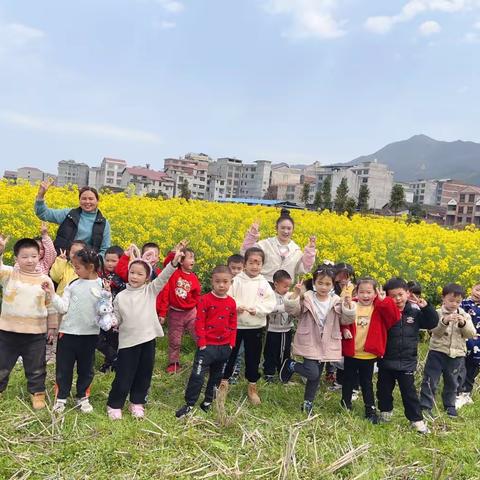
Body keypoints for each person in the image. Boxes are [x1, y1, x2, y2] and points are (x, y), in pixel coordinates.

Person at [106, 246, 184, 420]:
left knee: (144, 374)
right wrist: (111, 320)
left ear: (147, 277)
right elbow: (117, 317)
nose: (135, 276)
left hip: (148, 340)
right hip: (128, 342)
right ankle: (115, 404)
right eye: (132, 272)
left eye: (140, 274)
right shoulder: (121, 296)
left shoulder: (150, 290)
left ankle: (137, 402)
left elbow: (164, 277)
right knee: (124, 375)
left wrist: (173, 262)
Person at [279, 265, 355, 414]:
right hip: (309, 339)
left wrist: (347, 303)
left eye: (327, 284)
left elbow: (346, 320)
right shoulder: (307, 297)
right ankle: (291, 365)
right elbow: (293, 311)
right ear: (314, 283)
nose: (323, 287)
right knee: (312, 372)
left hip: (327, 342)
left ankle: (308, 403)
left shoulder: (336, 300)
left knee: (316, 376)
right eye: (320, 283)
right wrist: (295, 295)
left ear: (333, 285)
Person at [43, 248, 107, 414]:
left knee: (86, 369)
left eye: (78, 267)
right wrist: (51, 294)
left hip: (90, 335)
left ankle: (82, 397)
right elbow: (63, 307)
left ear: (91, 267)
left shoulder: (102, 285)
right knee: (63, 368)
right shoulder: (73, 285)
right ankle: (61, 398)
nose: (75, 270)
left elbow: (106, 309)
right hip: (68, 334)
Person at [0, 235, 57, 409]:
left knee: (36, 366)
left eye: (33, 256)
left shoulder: (45, 280)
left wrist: (52, 327)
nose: (29, 260)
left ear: (39, 255)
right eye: (24, 257)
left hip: (35, 333)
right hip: (8, 331)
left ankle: (37, 393)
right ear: (16, 257)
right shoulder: (9, 274)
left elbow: (51, 305)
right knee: (2, 363)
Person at [376, 277, 438, 434]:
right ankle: (385, 412)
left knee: (409, 393)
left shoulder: (415, 312)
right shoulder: (385, 311)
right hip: (386, 360)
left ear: (408, 293)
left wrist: (426, 307)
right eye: (393, 296)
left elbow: (431, 323)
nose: (397, 299)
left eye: (400, 294)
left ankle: (416, 420)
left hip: (407, 361)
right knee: (383, 389)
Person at [176, 265, 237, 418]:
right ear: (212, 282)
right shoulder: (205, 300)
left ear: (231, 283)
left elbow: (233, 323)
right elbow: (199, 322)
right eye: (218, 282)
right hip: (207, 347)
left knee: (216, 376)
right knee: (197, 376)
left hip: (224, 347)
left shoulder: (231, 302)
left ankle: (208, 401)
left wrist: (231, 343)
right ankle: (189, 404)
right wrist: (202, 342)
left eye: (225, 282)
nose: (221, 285)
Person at [340, 277, 401, 423]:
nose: (365, 296)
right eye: (361, 292)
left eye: (369, 292)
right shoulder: (352, 304)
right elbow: (342, 319)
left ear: (375, 293)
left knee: (366, 383)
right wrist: (344, 330)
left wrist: (383, 300)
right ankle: (345, 404)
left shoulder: (379, 307)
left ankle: (370, 409)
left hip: (368, 354)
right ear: (357, 292)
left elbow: (394, 317)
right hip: (352, 352)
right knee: (347, 380)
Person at [221, 247, 276, 405]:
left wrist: (258, 310)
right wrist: (235, 306)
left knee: (253, 358)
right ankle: (223, 384)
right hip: (236, 326)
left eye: (258, 263)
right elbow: (227, 297)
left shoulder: (264, 283)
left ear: (262, 265)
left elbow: (269, 303)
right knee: (229, 355)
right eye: (251, 262)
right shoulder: (236, 280)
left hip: (255, 326)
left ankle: (252, 386)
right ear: (244, 264)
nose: (254, 266)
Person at [420, 283, 475, 417]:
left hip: (456, 355)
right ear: (443, 298)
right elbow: (434, 332)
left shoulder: (464, 315)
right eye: (451, 300)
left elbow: (471, 333)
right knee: (430, 380)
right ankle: (426, 406)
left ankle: (450, 405)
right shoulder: (437, 313)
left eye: (458, 301)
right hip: (437, 352)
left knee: (453, 382)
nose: (454, 304)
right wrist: (444, 321)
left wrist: (463, 324)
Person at [34, 180, 111, 256]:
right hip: (62, 260)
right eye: (84, 199)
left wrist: (94, 263)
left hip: (85, 265)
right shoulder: (69, 214)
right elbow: (43, 213)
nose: (87, 202)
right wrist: (41, 195)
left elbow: (104, 250)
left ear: (97, 201)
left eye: (91, 199)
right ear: (79, 200)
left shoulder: (103, 223)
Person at [241, 208, 316, 282]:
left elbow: (304, 269)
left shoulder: (296, 251)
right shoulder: (265, 244)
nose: (286, 231)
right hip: (263, 286)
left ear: (293, 230)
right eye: (282, 228)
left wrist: (310, 252)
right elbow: (246, 254)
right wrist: (252, 236)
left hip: (283, 290)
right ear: (276, 228)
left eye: (289, 228)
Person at [157, 248, 201, 373]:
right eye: (190, 257)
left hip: (191, 312)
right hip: (175, 313)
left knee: (198, 336)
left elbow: (197, 295)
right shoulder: (174, 273)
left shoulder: (193, 277)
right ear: (181, 261)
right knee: (174, 340)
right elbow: (167, 263)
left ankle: (204, 360)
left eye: (194, 258)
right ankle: (173, 363)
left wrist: (200, 312)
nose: (193, 260)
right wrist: (175, 252)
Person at [97, 245, 126, 373]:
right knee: (97, 338)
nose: (109, 263)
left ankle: (110, 363)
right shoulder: (100, 273)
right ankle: (115, 357)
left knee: (113, 339)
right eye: (107, 260)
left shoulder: (123, 276)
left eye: (113, 261)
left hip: (116, 313)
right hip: (101, 312)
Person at [263, 269, 293, 382]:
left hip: (286, 329)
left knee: (284, 352)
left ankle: (283, 373)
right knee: (270, 351)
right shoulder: (270, 295)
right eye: (285, 286)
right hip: (272, 329)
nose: (287, 289)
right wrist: (284, 307)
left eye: (289, 286)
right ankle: (269, 373)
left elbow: (295, 307)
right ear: (276, 284)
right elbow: (269, 309)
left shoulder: (289, 295)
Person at [457, 281, 480, 406]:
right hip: (465, 339)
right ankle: (457, 392)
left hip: (479, 342)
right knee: (461, 365)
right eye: (477, 289)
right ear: (472, 289)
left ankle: (466, 392)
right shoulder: (463, 303)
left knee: (474, 367)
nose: (479, 294)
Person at [226, 254, 244, 384]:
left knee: (239, 349)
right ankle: (225, 369)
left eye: (239, 268)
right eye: (233, 268)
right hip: (227, 322)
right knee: (227, 347)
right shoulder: (225, 282)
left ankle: (235, 371)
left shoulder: (246, 283)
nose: (236, 271)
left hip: (242, 322)